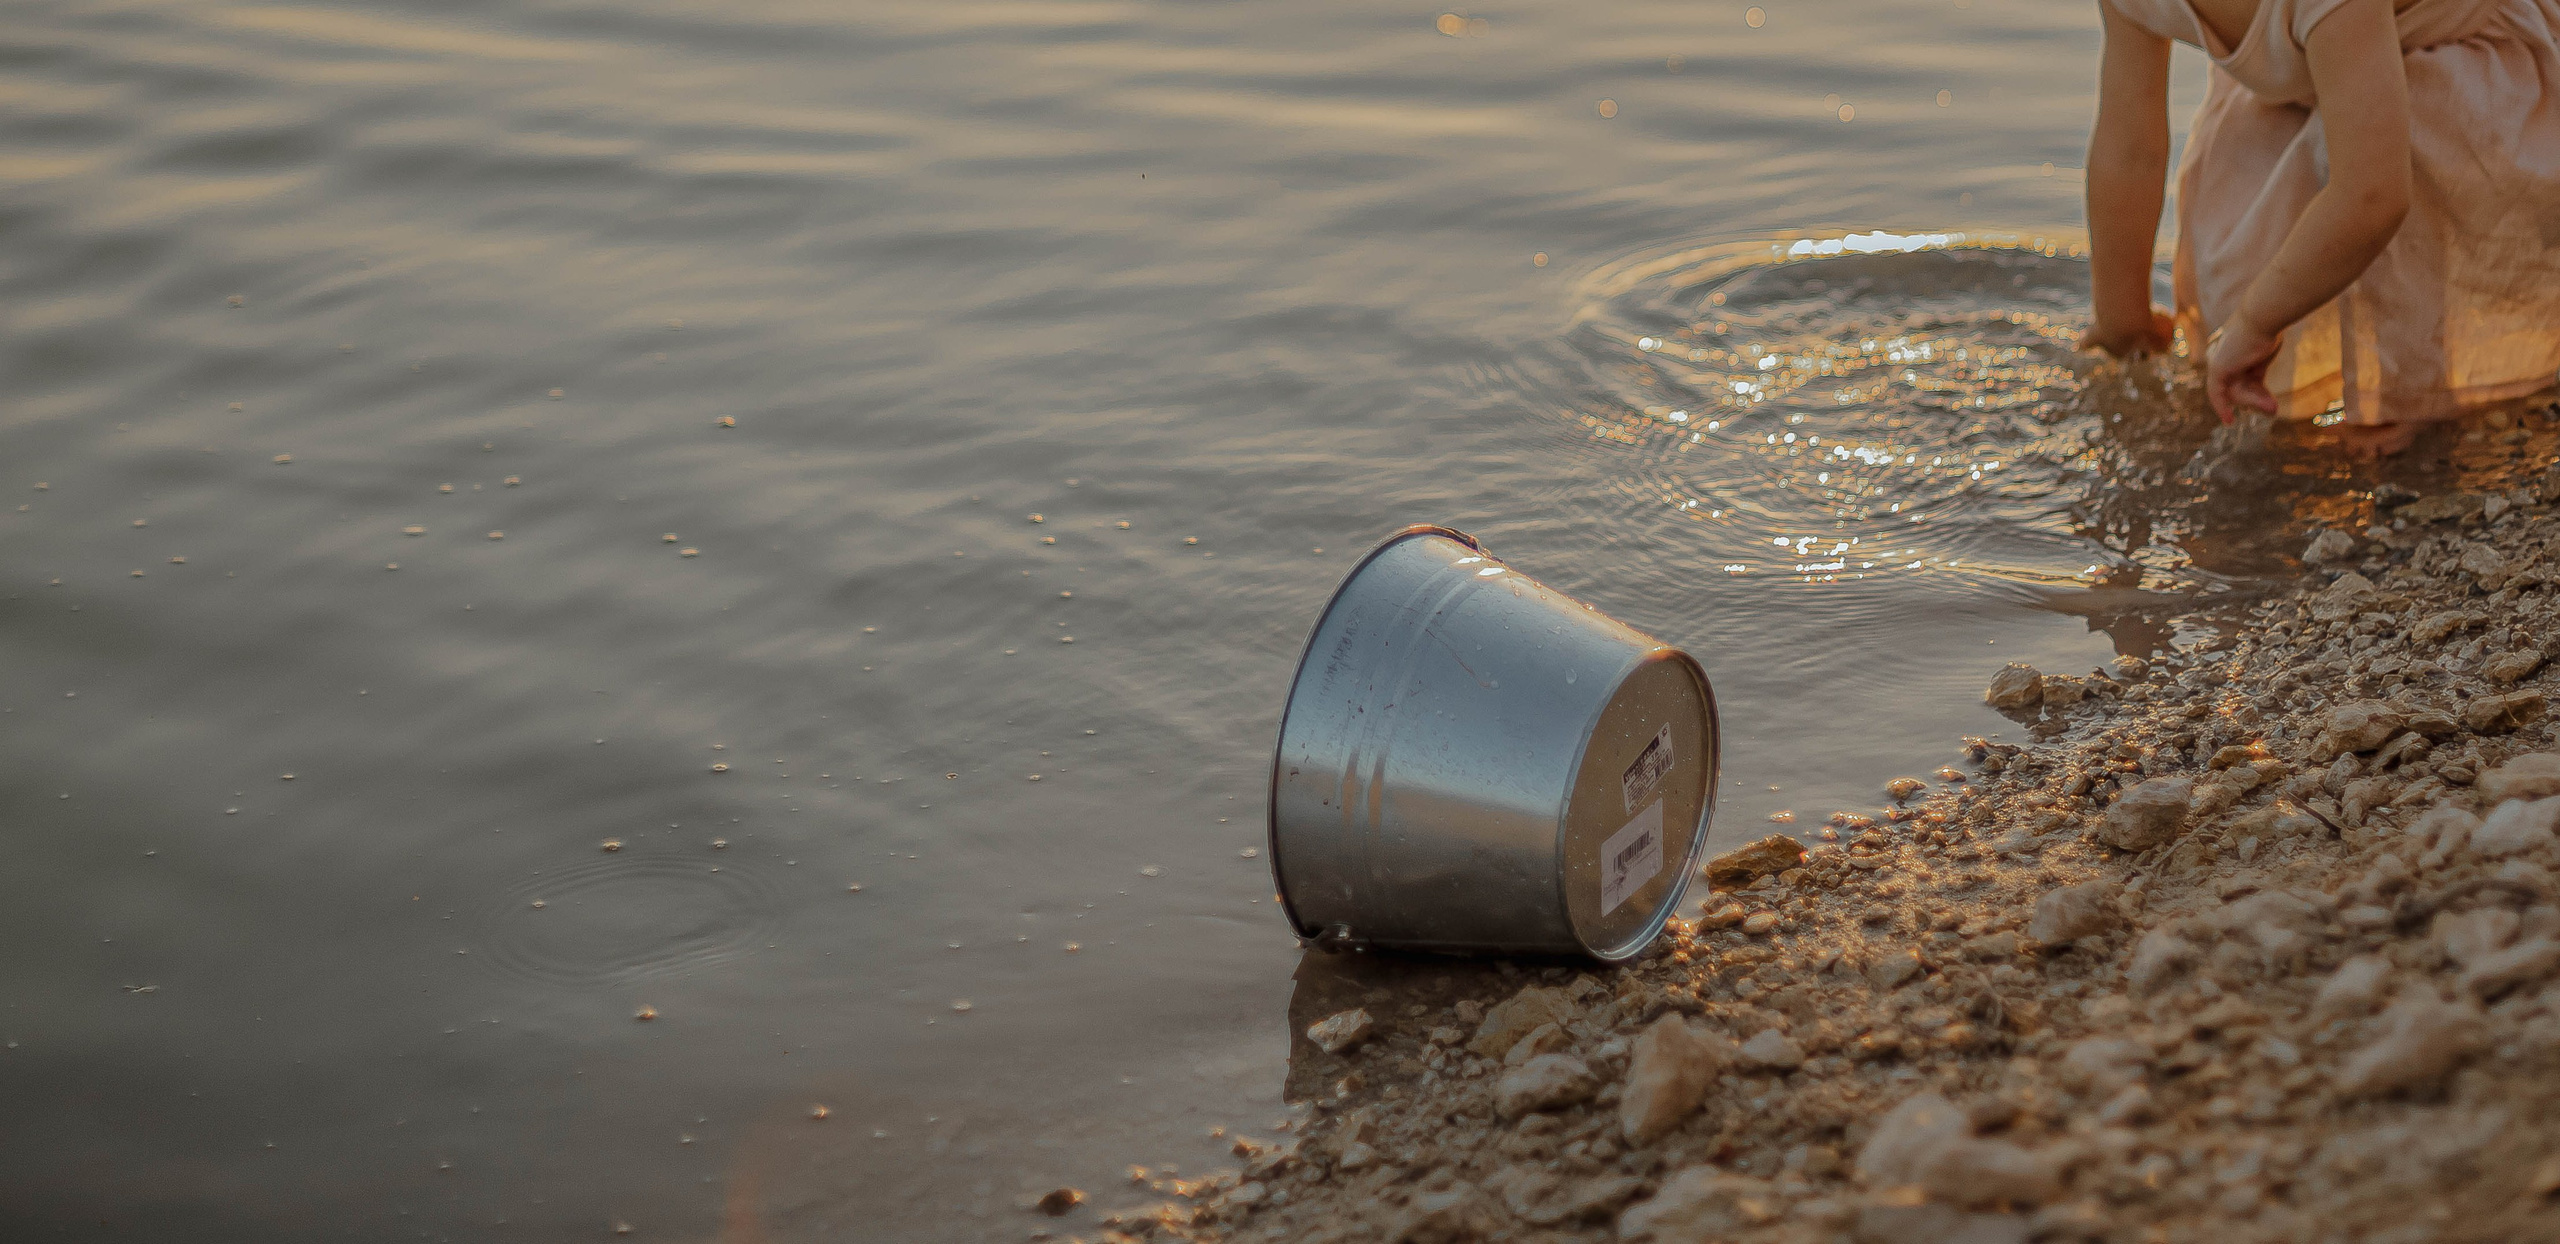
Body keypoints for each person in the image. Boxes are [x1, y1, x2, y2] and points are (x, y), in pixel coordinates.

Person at [2078, 0, 2560, 450]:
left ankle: (2430, 388)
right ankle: (2278, 375)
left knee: (2408, 149)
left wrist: (2256, 322)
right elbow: (2130, 152)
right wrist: (2123, 323)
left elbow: (2375, 194)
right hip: (2319, 66)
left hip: (2470, 65)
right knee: (2244, 212)